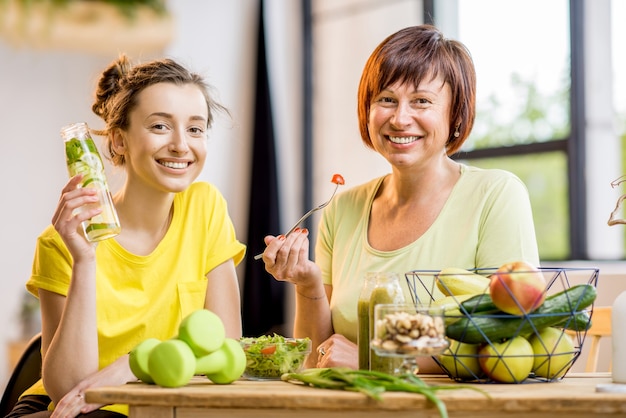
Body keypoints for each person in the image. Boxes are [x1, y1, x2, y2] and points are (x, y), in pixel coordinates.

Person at [259, 25, 540, 371]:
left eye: (421, 101)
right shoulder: (342, 209)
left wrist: (372, 361)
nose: (400, 118)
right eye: (387, 100)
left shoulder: (496, 195)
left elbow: (508, 340)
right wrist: (307, 283)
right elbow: (319, 356)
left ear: (455, 113)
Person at [7, 55, 246, 418]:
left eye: (195, 129)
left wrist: (135, 364)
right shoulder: (59, 243)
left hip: (154, 406)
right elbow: (71, 390)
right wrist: (85, 259)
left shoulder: (205, 208)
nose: (182, 145)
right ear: (118, 140)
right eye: (160, 127)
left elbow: (226, 347)